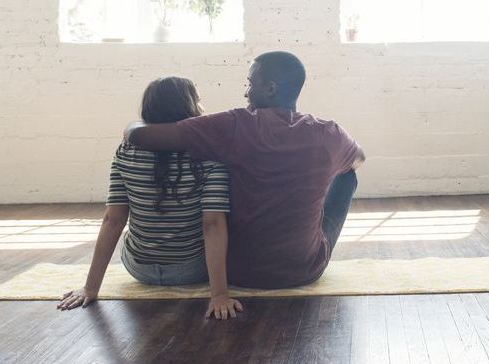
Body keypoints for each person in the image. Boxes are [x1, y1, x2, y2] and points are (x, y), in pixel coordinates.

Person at [125, 51, 366, 289]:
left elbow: (139, 136)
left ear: (270, 89)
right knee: (347, 177)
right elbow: (358, 160)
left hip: (238, 271)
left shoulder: (233, 125)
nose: (245, 91)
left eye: (250, 84)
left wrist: (131, 125)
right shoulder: (329, 133)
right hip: (304, 270)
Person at [58, 77, 244, 320]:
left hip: (139, 268)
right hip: (192, 270)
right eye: (199, 100)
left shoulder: (125, 151)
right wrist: (219, 294)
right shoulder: (209, 156)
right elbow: (212, 224)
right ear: (190, 107)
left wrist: (91, 287)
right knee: (225, 218)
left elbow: (113, 220)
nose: (202, 106)